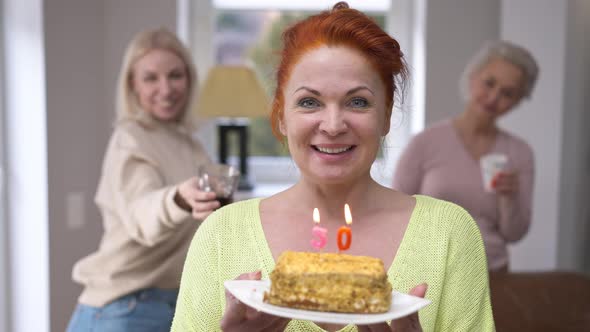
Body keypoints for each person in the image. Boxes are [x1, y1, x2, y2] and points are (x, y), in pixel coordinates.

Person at [171, 2, 495, 331]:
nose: (333, 124)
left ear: (385, 116)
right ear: (282, 117)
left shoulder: (448, 234)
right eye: (309, 102)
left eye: (358, 102)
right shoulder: (222, 235)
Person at [66, 28, 221, 332]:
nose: (166, 89)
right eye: (151, 78)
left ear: (189, 79)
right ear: (133, 85)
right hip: (125, 306)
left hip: (172, 303)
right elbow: (141, 213)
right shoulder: (130, 139)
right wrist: (178, 197)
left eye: (175, 75)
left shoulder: (191, 144)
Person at [392, 40, 538, 273]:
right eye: (489, 83)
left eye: (508, 93)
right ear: (472, 77)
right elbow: (395, 212)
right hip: (430, 271)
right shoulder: (426, 143)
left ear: (518, 101)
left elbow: (514, 234)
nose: (493, 97)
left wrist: (508, 198)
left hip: (492, 274)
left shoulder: (519, 153)